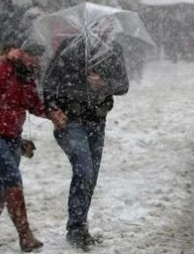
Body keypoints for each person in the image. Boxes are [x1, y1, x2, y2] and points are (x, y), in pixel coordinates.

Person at [0, 39, 66, 251]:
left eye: (38, 58)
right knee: (12, 179)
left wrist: (52, 113)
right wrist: (7, 64)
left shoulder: (26, 76)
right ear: (20, 52)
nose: (36, 61)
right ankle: (25, 235)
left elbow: (32, 104)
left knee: (2, 187)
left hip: (11, 136)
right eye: (32, 56)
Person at [43, 20, 129, 250]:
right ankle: (75, 229)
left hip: (97, 120)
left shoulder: (113, 50)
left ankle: (80, 226)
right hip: (72, 120)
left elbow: (123, 85)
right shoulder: (69, 49)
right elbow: (49, 82)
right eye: (97, 26)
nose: (103, 31)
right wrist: (52, 108)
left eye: (106, 27)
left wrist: (103, 83)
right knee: (84, 169)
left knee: (90, 176)